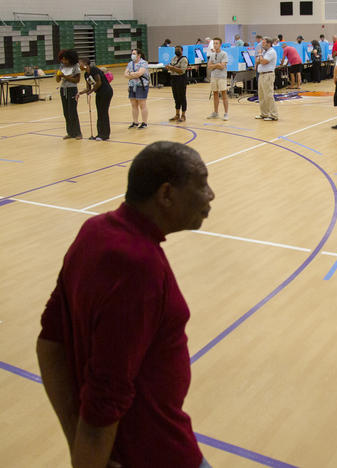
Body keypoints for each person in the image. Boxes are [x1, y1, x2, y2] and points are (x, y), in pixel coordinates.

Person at [37, 141, 215, 468]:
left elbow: (50, 343)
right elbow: (105, 396)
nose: (211, 195)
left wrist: (76, 438)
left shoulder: (94, 231)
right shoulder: (138, 267)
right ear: (166, 195)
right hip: (157, 453)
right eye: (202, 184)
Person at [76, 57, 113, 141]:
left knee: (103, 112)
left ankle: (105, 134)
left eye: (80, 64)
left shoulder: (94, 70)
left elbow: (99, 82)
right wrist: (80, 93)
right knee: (99, 112)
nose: (79, 66)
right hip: (99, 93)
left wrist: (92, 91)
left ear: (85, 64)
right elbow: (88, 88)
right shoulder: (86, 74)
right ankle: (100, 134)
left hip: (106, 92)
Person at [56, 49, 82, 140]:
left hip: (72, 90)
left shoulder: (76, 66)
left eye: (65, 59)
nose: (63, 61)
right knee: (66, 112)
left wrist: (65, 77)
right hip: (63, 90)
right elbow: (58, 80)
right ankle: (70, 132)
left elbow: (77, 80)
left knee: (72, 112)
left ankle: (78, 133)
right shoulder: (62, 66)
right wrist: (58, 76)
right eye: (62, 59)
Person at [255, 36, 279, 121]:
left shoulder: (271, 52)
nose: (262, 44)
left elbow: (264, 62)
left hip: (268, 75)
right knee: (261, 95)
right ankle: (264, 113)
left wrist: (260, 55)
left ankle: (273, 115)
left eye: (264, 43)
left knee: (268, 95)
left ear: (269, 43)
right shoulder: (265, 52)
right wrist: (260, 57)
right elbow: (258, 61)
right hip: (261, 75)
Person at [125, 48, 149, 129]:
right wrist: (132, 74)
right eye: (132, 53)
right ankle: (135, 122)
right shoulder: (130, 64)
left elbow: (139, 73)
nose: (133, 55)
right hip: (132, 85)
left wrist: (131, 74)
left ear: (139, 55)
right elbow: (125, 74)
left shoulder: (143, 63)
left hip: (141, 85)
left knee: (142, 104)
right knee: (133, 104)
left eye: (134, 54)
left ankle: (144, 122)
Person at [206, 37, 229, 121]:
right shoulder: (212, 55)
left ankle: (226, 113)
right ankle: (215, 112)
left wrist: (214, 65)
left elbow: (222, 66)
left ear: (220, 44)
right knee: (215, 94)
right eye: (214, 43)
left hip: (222, 77)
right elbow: (209, 66)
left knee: (224, 94)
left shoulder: (224, 54)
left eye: (217, 43)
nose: (215, 45)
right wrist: (217, 65)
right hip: (213, 77)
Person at [166, 45, 189, 122]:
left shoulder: (184, 59)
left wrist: (172, 68)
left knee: (182, 96)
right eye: (175, 49)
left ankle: (183, 115)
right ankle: (177, 114)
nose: (177, 51)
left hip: (181, 79)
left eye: (178, 49)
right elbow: (171, 66)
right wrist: (169, 67)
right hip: (173, 78)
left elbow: (182, 71)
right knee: (176, 97)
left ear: (182, 50)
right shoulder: (173, 58)